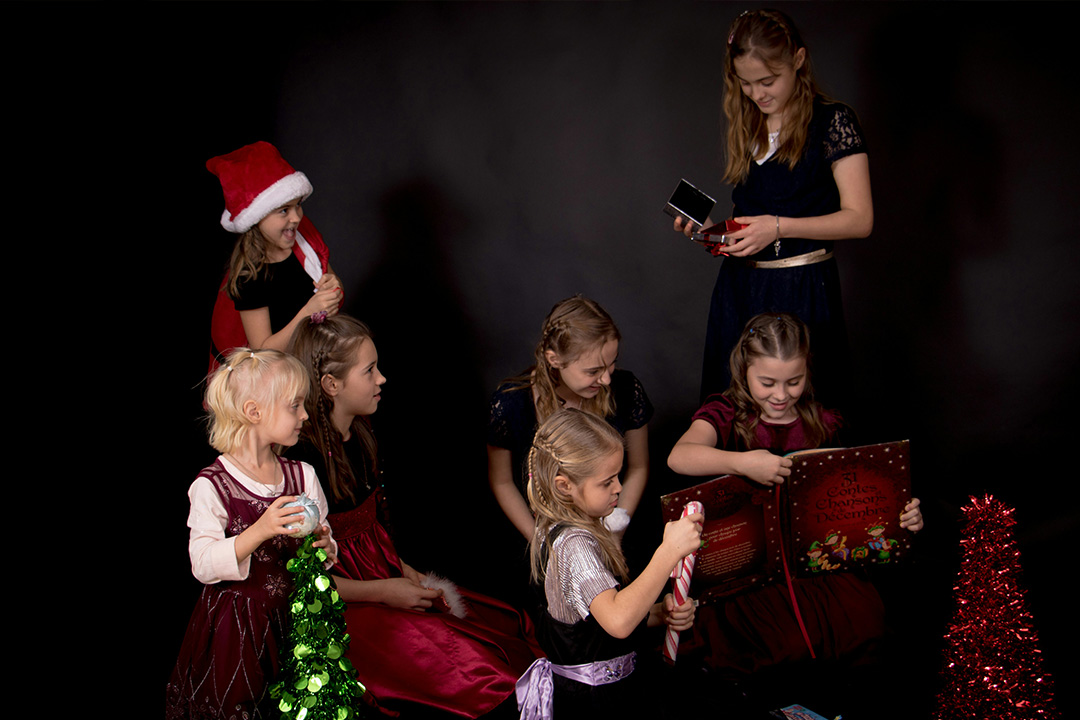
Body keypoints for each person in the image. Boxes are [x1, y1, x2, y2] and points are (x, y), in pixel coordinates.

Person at [286, 313, 543, 718]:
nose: (381, 379)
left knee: (504, 627)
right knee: (470, 668)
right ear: (332, 385)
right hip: (345, 601)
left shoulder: (363, 434)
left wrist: (404, 572)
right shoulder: (302, 462)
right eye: (369, 370)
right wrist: (386, 592)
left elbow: (377, 532)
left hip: (384, 574)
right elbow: (301, 582)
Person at [667, 313, 922, 675]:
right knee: (776, 650)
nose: (782, 395)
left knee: (864, 629)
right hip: (751, 570)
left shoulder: (821, 419)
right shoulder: (725, 413)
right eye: (767, 382)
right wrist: (744, 463)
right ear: (744, 370)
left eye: (794, 382)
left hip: (816, 569)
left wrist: (900, 512)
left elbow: (856, 496)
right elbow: (679, 457)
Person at [674, 9, 873, 404]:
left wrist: (778, 227)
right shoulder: (749, 122)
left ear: (798, 61)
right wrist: (713, 233)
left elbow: (860, 219)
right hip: (740, 290)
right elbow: (752, 220)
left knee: (807, 411)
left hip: (803, 290)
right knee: (736, 409)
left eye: (768, 81)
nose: (757, 93)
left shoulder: (833, 121)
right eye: (745, 83)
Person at [166, 348, 337, 719]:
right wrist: (259, 530)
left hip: (296, 624)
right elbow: (203, 564)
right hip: (237, 632)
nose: (305, 415)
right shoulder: (212, 486)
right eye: (295, 406)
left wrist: (326, 545)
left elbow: (327, 542)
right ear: (254, 412)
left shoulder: (302, 475)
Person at [516, 409, 702, 720]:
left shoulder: (581, 529)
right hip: (594, 705)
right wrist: (668, 551)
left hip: (619, 691)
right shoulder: (573, 545)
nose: (618, 487)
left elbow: (598, 622)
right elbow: (617, 620)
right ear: (565, 486)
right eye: (607, 482)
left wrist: (660, 612)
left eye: (618, 476)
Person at [488, 296, 652, 541]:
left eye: (611, 365)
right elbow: (501, 482)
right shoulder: (511, 403)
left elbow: (638, 467)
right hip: (546, 537)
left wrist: (615, 532)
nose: (606, 379)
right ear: (554, 359)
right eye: (593, 371)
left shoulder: (627, 389)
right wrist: (540, 543)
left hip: (615, 531)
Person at [207, 140, 343, 365]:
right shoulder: (249, 275)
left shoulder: (303, 240)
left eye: (298, 205)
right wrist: (308, 312)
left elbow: (333, 281)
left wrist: (333, 287)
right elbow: (261, 350)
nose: (296, 217)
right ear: (257, 219)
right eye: (284, 210)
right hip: (280, 373)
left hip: (313, 353)